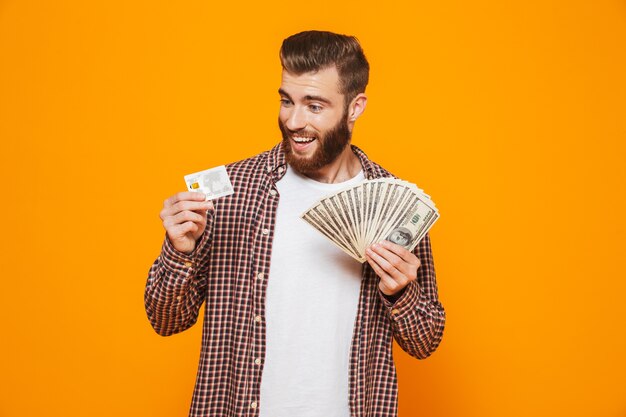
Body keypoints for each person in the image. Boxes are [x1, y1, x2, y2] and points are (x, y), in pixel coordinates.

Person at [145, 30, 446, 417]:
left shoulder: (397, 207)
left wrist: (402, 291)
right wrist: (179, 252)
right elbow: (166, 320)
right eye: (287, 101)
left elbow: (426, 341)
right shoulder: (230, 192)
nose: (293, 120)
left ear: (355, 107)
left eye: (314, 106)